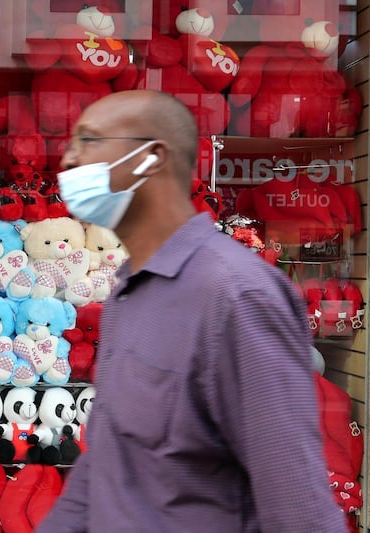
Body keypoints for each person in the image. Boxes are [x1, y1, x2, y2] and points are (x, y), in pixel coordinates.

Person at [36, 89, 348, 532]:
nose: (68, 160)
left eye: (89, 140)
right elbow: (110, 464)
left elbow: (298, 506)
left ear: (150, 159)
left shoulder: (236, 296)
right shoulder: (131, 291)